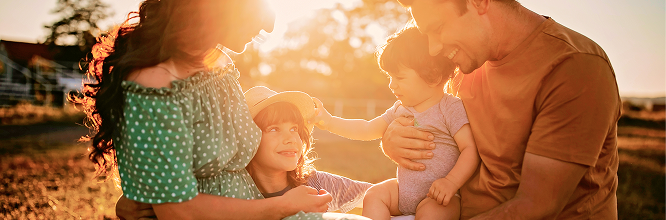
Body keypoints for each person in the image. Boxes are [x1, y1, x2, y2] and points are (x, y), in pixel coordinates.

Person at [70, 0, 366, 219]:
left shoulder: (220, 65)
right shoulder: (153, 85)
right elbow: (178, 211)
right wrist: (281, 206)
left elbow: (239, 160)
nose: (267, 27)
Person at [381, 0, 621, 219]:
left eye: (438, 28)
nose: (433, 49)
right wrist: (393, 141)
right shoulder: (467, 60)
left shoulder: (575, 66)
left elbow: (536, 205)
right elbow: (441, 127)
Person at [116, 86, 374, 219]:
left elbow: (375, 193)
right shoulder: (229, 187)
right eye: (273, 129)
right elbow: (171, 203)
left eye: (295, 128)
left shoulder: (315, 184)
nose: (290, 138)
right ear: (247, 138)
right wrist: (129, 204)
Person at [312, 27, 479, 220]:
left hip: (437, 195)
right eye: (390, 77)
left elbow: (469, 149)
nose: (392, 84)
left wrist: (451, 182)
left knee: (433, 213)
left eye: (399, 77)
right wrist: (330, 121)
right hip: (402, 192)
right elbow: (366, 128)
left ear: (433, 76)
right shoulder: (400, 109)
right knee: (374, 195)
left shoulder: (450, 108)